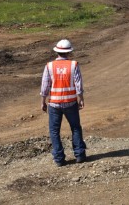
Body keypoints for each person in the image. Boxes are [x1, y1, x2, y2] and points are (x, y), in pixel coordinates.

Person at [40, 39, 87, 167]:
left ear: (57, 51)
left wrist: (43, 101)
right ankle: (79, 155)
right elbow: (78, 84)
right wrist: (81, 98)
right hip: (70, 102)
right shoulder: (74, 65)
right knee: (75, 127)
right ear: (69, 52)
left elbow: (45, 85)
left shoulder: (49, 66)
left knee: (54, 131)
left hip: (54, 104)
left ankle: (59, 159)